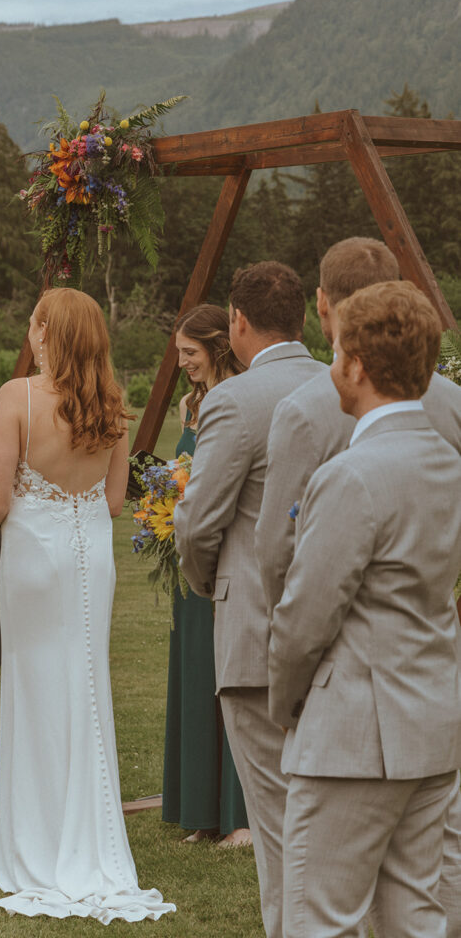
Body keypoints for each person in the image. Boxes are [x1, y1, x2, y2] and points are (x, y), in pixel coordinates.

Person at [256, 236, 461, 932]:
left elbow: (304, 616)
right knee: (416, 919)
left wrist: (283, 706)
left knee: (320, 919)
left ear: (356, 365)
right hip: (432, 723)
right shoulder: (443, 458)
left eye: (339, 354)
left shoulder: (351, 474)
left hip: (352, 738)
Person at [0, 288, 176, 923]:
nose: (30, 333)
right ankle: (88, 834)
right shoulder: (111, 404)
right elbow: (112, 499)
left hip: (33, 556)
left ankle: (44, 841)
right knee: (85, 682)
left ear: (47, 333)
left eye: (33, 323)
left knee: (35, 686)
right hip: (91, 554)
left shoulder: (17, 395)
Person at [174, 262, 324, 938]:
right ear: (304, 316)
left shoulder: (233, 399)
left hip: (257, 628)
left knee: (276, 822)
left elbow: (198, 522)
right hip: (334, 627)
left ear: (235, 322)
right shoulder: (338, 384)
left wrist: (212, 585)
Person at [162, 303, 252, 849]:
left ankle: (239, 815)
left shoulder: (238, 398)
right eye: (179, 355)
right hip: (189, 559)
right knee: (195, 677)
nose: (184, 364)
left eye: (190, 354)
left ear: (217, 347)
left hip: (227, 555)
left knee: (231, 678)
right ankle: (202, 812)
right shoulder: (189, 404)